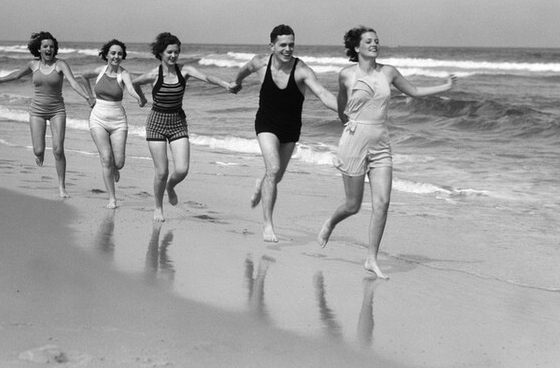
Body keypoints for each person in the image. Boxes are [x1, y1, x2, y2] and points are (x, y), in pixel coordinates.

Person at [316, 26, 457, 279]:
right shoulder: (346, 75)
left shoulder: (389, 72)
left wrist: (444, 87)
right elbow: (341, 107)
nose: (374, 44)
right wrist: (347, 124)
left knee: (382, 203)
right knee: (353, 205)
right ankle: (331, 223)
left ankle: (371, 258)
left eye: (376, 41)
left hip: (381, 144)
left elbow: (413, 91)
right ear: (357, 47)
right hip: (354, 142)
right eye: (369, 41)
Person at [230, 24, 338, 242]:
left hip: (290, 127)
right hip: (266, 123)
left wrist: (346, 111)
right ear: (272, 46)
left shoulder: (302, 71)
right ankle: (268, 225)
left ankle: (260, 184)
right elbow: (244, 69)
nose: (288, 49)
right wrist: (236, 82)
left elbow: (323, 94)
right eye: (283, 45)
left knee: (275, 176)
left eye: (291, 44)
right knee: (274, 168)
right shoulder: (260, 62)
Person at [132, 32, 237, 222]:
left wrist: (225, 84)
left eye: (177, 52)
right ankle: (158, 207)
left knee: (182, 170)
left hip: (177, 122)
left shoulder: (185, 70)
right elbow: (134, 83)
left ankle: (170, 187)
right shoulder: (154, 74)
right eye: (170, 52)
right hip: (156, 123)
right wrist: (141, 98)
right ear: (161, 53)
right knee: (161, 171)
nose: (174, 56)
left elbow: (206, 77)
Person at [0, 31, 94, 199]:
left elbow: (73, 82)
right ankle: (40, 154)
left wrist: (88, 97)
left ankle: (62, 186)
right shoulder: (33, 65)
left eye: (52, 47)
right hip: (37, 111)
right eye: (45, 46)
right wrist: (1, 79)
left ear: (55, 49)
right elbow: (17, 75)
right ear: (39, 49)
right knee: (38, 150)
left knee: (58, 150)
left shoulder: (61, 64)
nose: (49, 49)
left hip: (57, 111)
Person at [77, 39, 145, 209]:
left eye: (119, 54)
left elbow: (129, 88)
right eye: (113, 53)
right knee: (106, 159)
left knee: (119, 162)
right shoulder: (100, 71)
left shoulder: (124, 74)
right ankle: (112, 198)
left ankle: (115, 169)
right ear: (106, 55)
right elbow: (82, 77)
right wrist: (90, 97)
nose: (116, 56)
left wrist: (137, 97)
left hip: (118, 122)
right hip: (97, 118)